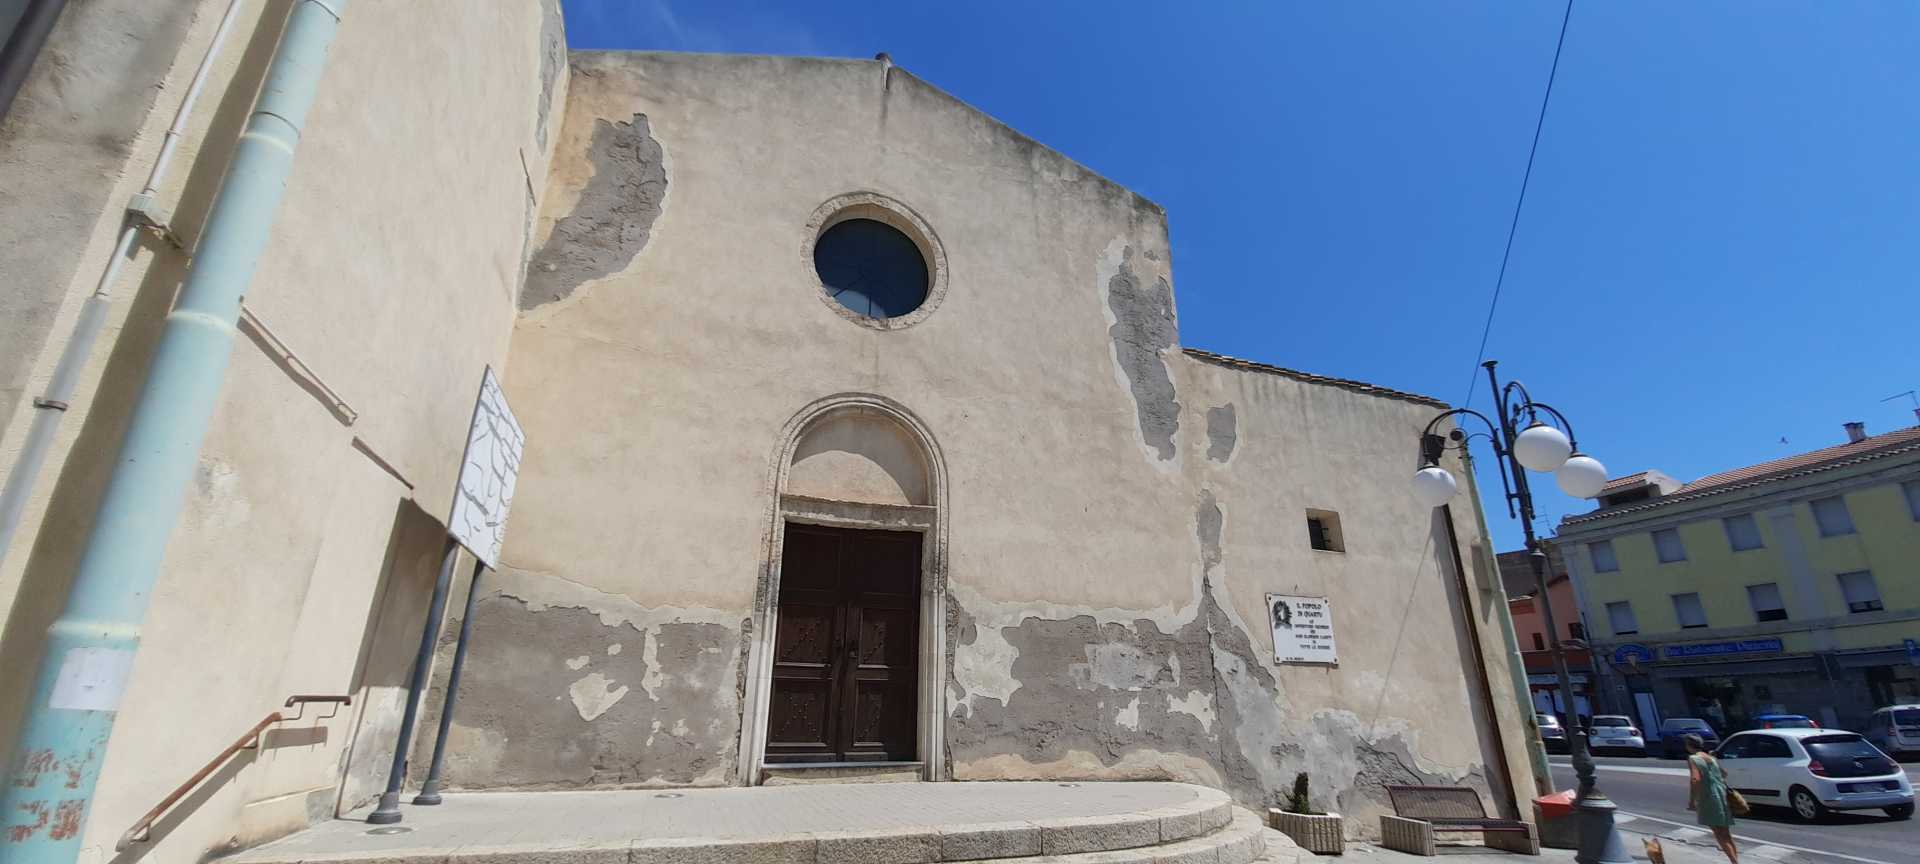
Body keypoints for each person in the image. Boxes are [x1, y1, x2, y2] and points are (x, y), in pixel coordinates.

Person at [1686, 734, 1739, 863]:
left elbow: (1695, 779)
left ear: (1688, 745)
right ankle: (1735, 860)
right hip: (1721, 794)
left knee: (1718, 833)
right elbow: (1724, 773)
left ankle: (1734, 862)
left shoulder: (1693, 758)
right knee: (1726, 833)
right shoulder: (1711, 758)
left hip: (1708, 796)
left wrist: (1692, 800)